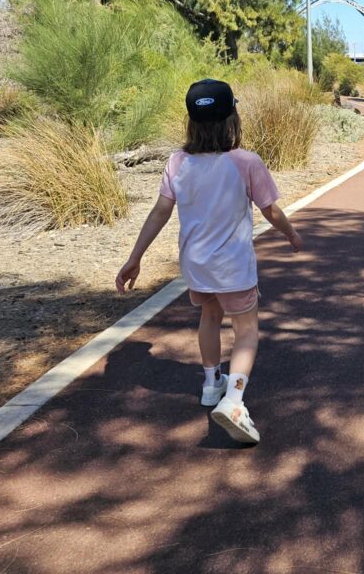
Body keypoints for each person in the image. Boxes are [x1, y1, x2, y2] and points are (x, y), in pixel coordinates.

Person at [116, 79, 302, 445]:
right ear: (233, 118)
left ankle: (210, 383)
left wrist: (135, 258)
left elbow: (160, 212)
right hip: (233, 266)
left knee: (210, 316)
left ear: (191, 123)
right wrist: (292, 235)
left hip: (196, 265)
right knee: (246, 329)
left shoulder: (177, 162)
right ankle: (234, 401)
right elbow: (271, 211)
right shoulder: (246, 162)